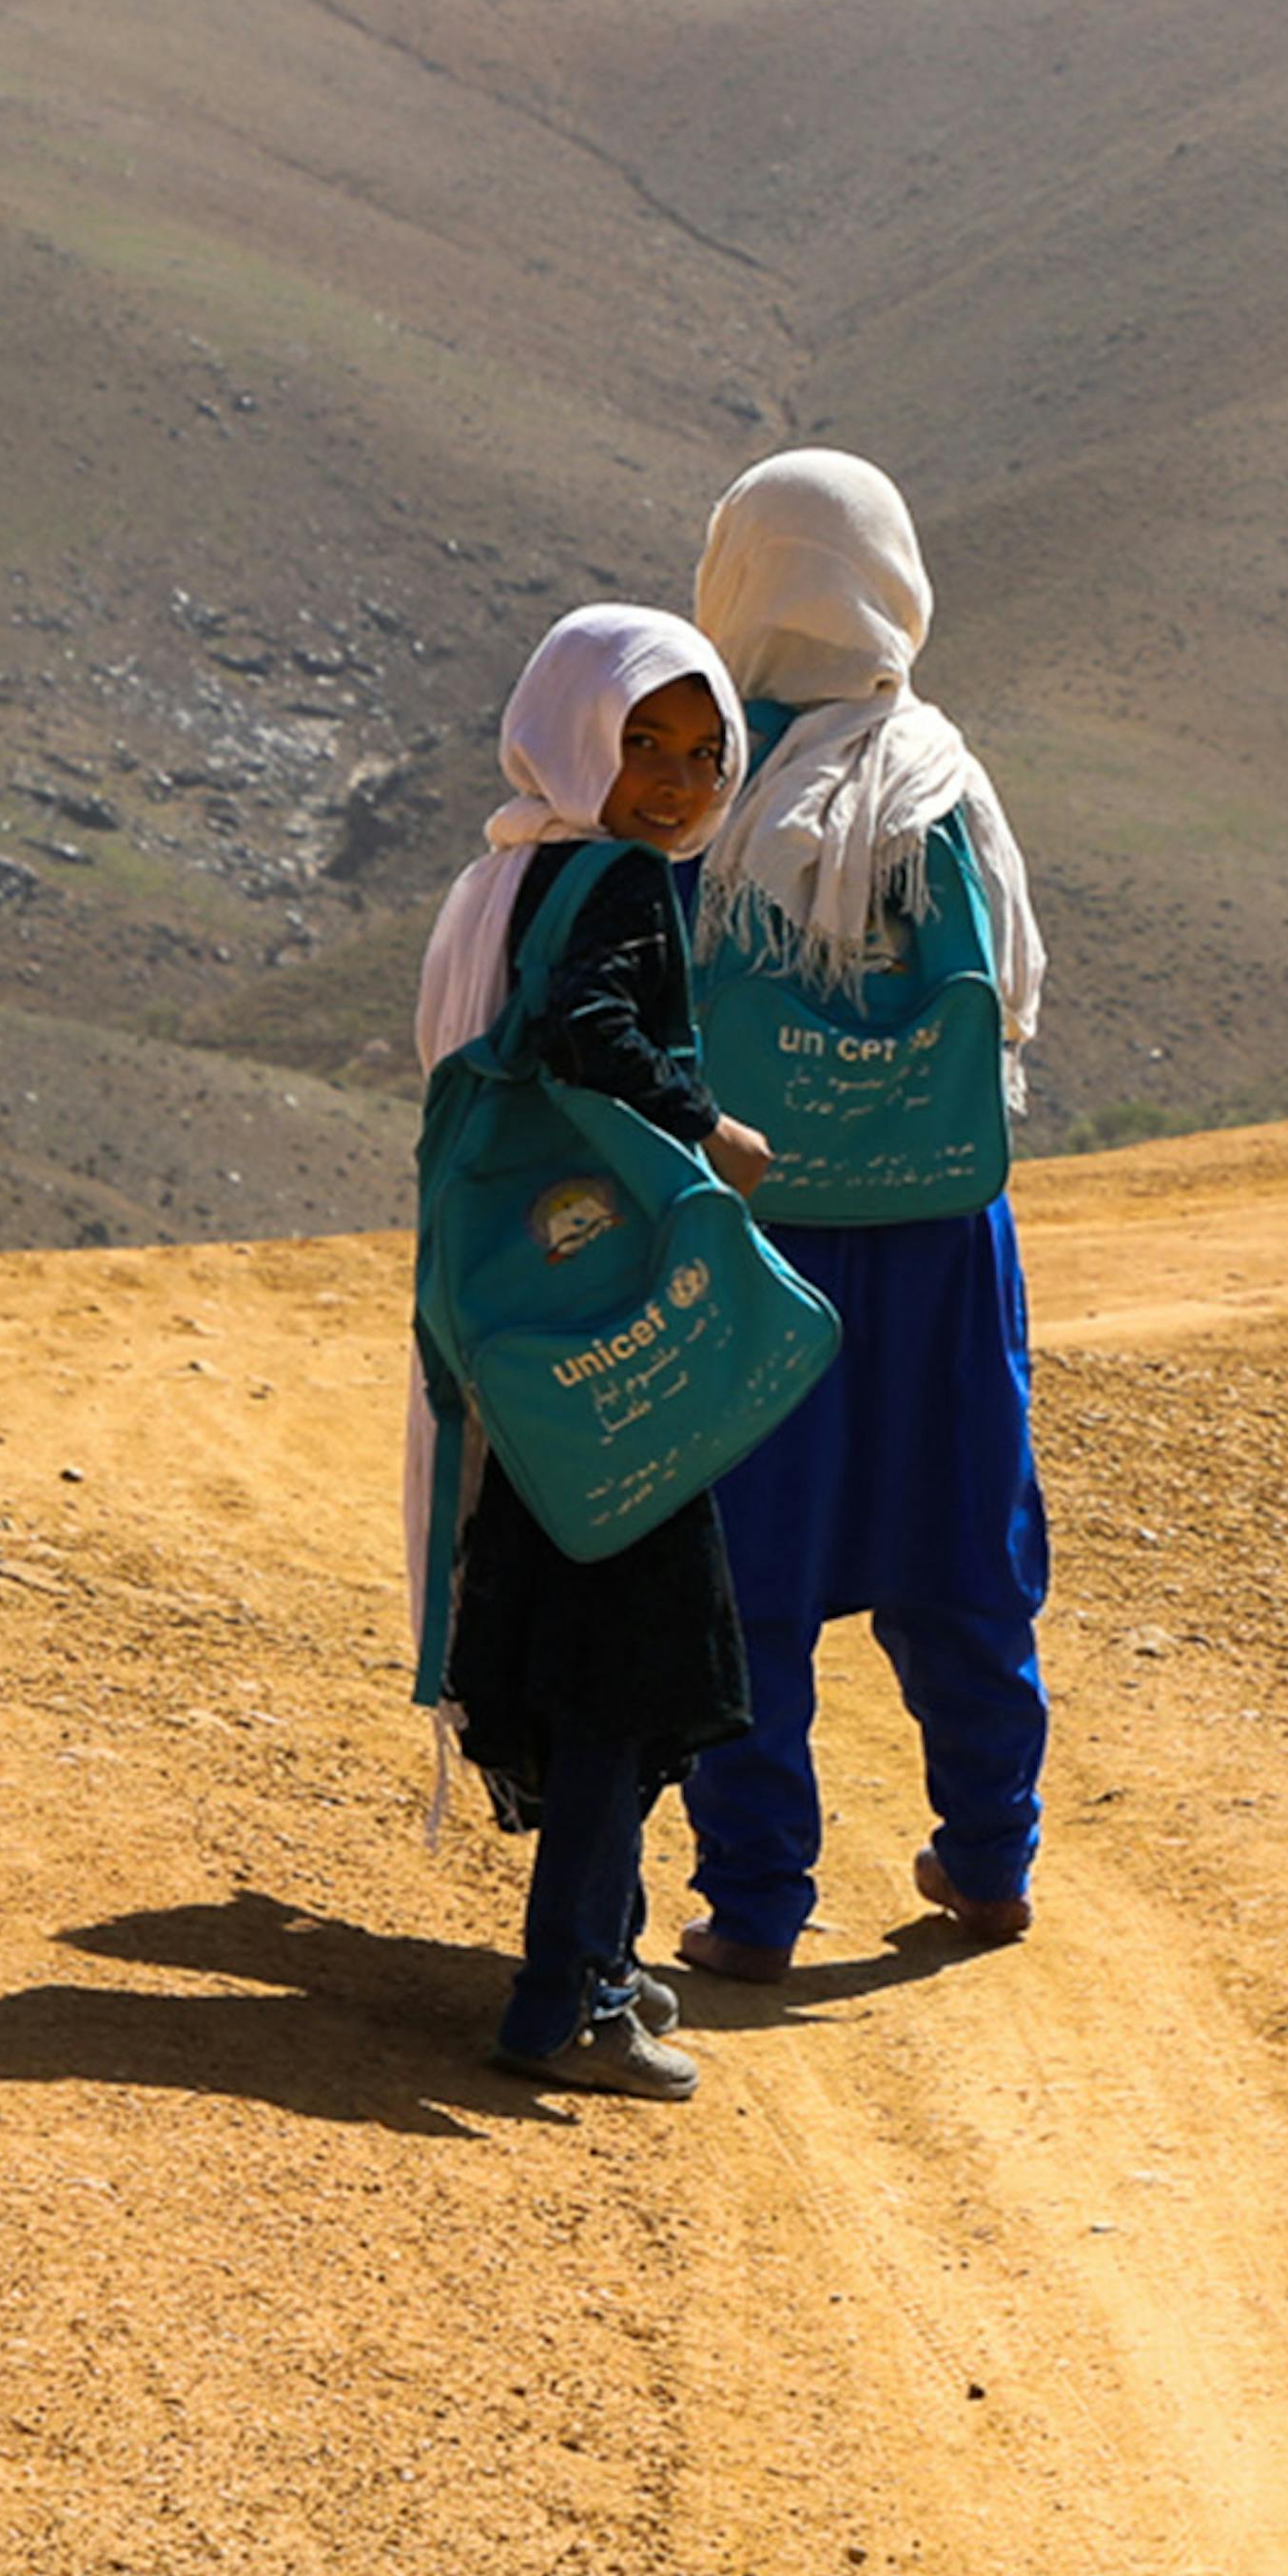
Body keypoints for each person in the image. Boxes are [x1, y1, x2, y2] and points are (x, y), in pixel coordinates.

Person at [662, 449, 1058, 1979]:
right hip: (944, 1235)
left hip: (752, 1226)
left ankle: (755, 1902)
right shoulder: (943, 780)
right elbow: (1009, 1001)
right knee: (959, 1536)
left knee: (747, 1561)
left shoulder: (702, 781)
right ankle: (989, 1857)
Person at [403, 603, 779, 2101]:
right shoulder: (615, 885)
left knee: (568, 1637)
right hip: (607, 1331)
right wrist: (707, 1128)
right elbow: (583, 1034)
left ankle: (603, 1958)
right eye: (642, 746)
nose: (678, 785)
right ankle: (565, 1998)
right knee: (630, 1665)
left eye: (703, 754)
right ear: (575, 737)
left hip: (510, 1319)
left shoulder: (504, 875)